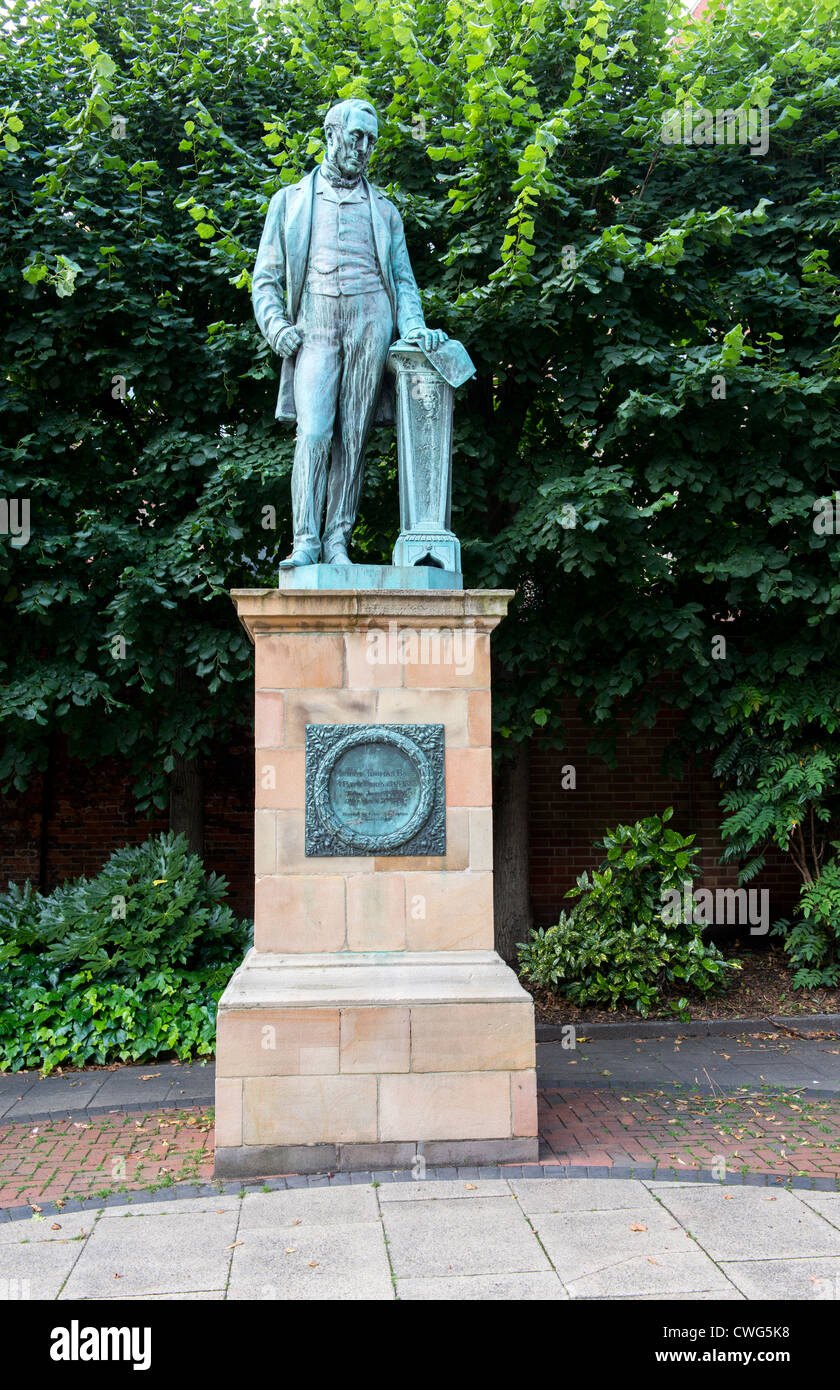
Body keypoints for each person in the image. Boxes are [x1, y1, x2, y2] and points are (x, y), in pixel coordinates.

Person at [252, 97, 448, 567]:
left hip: (370, 321)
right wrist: (276, 325)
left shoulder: (384, 211)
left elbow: (403, 281)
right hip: (314, 325)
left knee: (353, 438)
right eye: (356, 136)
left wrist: (415, 326)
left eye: (371, 140)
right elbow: (266, 278)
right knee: (315, 432)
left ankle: (338, 540)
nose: (364, 148)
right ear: (331, 135)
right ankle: (305, 541)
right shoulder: (290, 202)